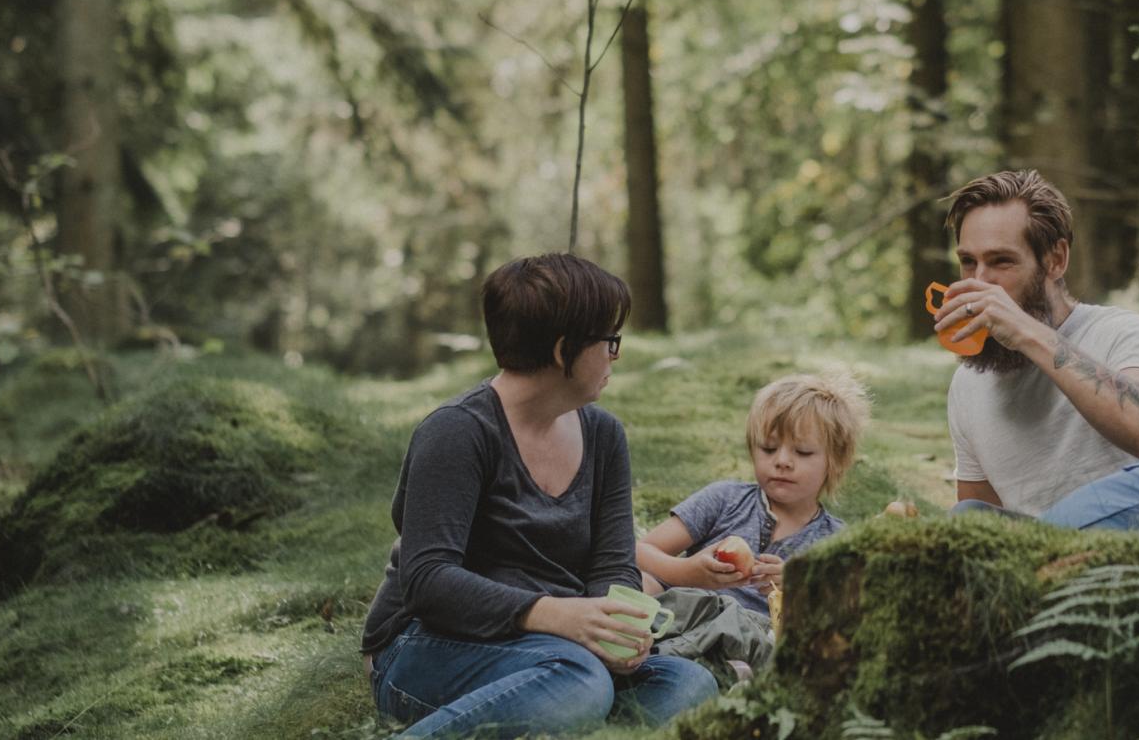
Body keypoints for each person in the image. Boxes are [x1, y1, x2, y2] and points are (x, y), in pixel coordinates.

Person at [359, 253, 716, 738]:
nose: (616, 354)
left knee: (688, 685)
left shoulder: (604, 436)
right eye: (609, 341)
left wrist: (617, 631)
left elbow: (611, 566)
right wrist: (558, 616)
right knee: (579, 682)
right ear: (563, 350)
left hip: (553, 647)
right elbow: (428, 581)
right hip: (426, 644)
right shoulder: (457, 433)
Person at [935, 170, 1139, 516]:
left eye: (1001, 261)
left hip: (1136, 550)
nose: (980, 281)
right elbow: (981, 527)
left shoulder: (1122, 333)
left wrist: (1026, 333)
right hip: (1038, 560)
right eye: (967, 262)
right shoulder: (967, 385)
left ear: (1056, 260)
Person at [636, 370, 870, 614]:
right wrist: (686, 572)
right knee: (640, 582)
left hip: (755, 641)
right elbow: (639, 551)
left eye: (802, 452)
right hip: (685, 613)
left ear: (836, 462)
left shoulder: (836, 542)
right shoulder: (725, 499)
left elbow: (846, 615)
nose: (782, 461)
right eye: (769, 449)